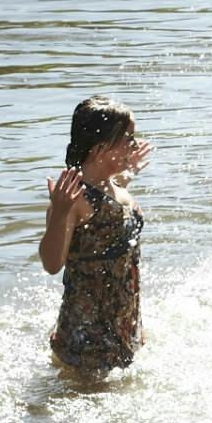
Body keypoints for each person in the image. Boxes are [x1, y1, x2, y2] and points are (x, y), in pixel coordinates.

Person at [38, 96, 153, 372]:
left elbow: (114, 204)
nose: (134, 145)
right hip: (88, 341)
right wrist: (61, 211)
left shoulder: (111, 185)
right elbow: (52, 263)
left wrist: (130, 171)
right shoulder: (73, 198)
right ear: (101, 148)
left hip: (123, 324)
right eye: (128, 138)